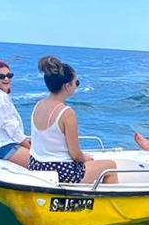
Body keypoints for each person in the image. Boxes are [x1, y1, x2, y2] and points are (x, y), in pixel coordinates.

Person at [27, 55, 119, 185]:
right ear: (67, 86)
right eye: (76, 82)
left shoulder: (38, 105)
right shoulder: (66, 113)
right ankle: (104, 203)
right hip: (61, 171)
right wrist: (85, 158)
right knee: (110, 165)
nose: (77, 85)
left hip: (36, 165)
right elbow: (75, 154)